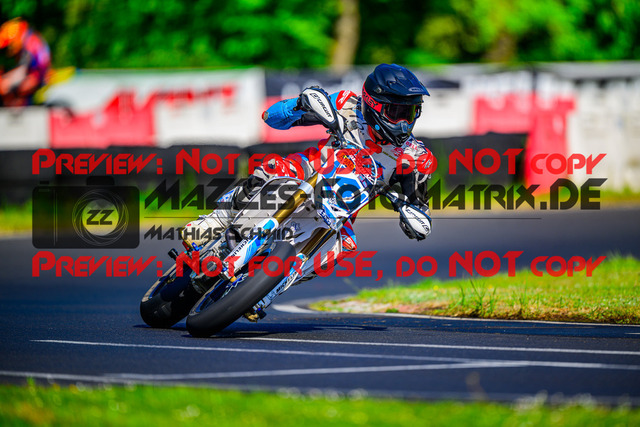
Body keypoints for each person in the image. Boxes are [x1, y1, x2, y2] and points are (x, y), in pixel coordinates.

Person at [183, 63, 434, 253]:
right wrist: (298, 104)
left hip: (340, 211)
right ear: (373, 104)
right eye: (396, 112)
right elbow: (271, 118)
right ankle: (217, 221)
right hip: (308, 171)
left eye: (411, 113)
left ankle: (270, 288)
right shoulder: (346, 105)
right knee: (272, 169)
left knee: (344, 246)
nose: (404, 123)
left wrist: (413, 218)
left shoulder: (414, 156)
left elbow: (418, 210)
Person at [0, 18, 51, 107]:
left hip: (38, 78)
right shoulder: (31, 39)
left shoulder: (30, 44)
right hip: (38, 76)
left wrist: (6, 80)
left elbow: (23, 71)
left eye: (10, 44)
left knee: (4, 86)